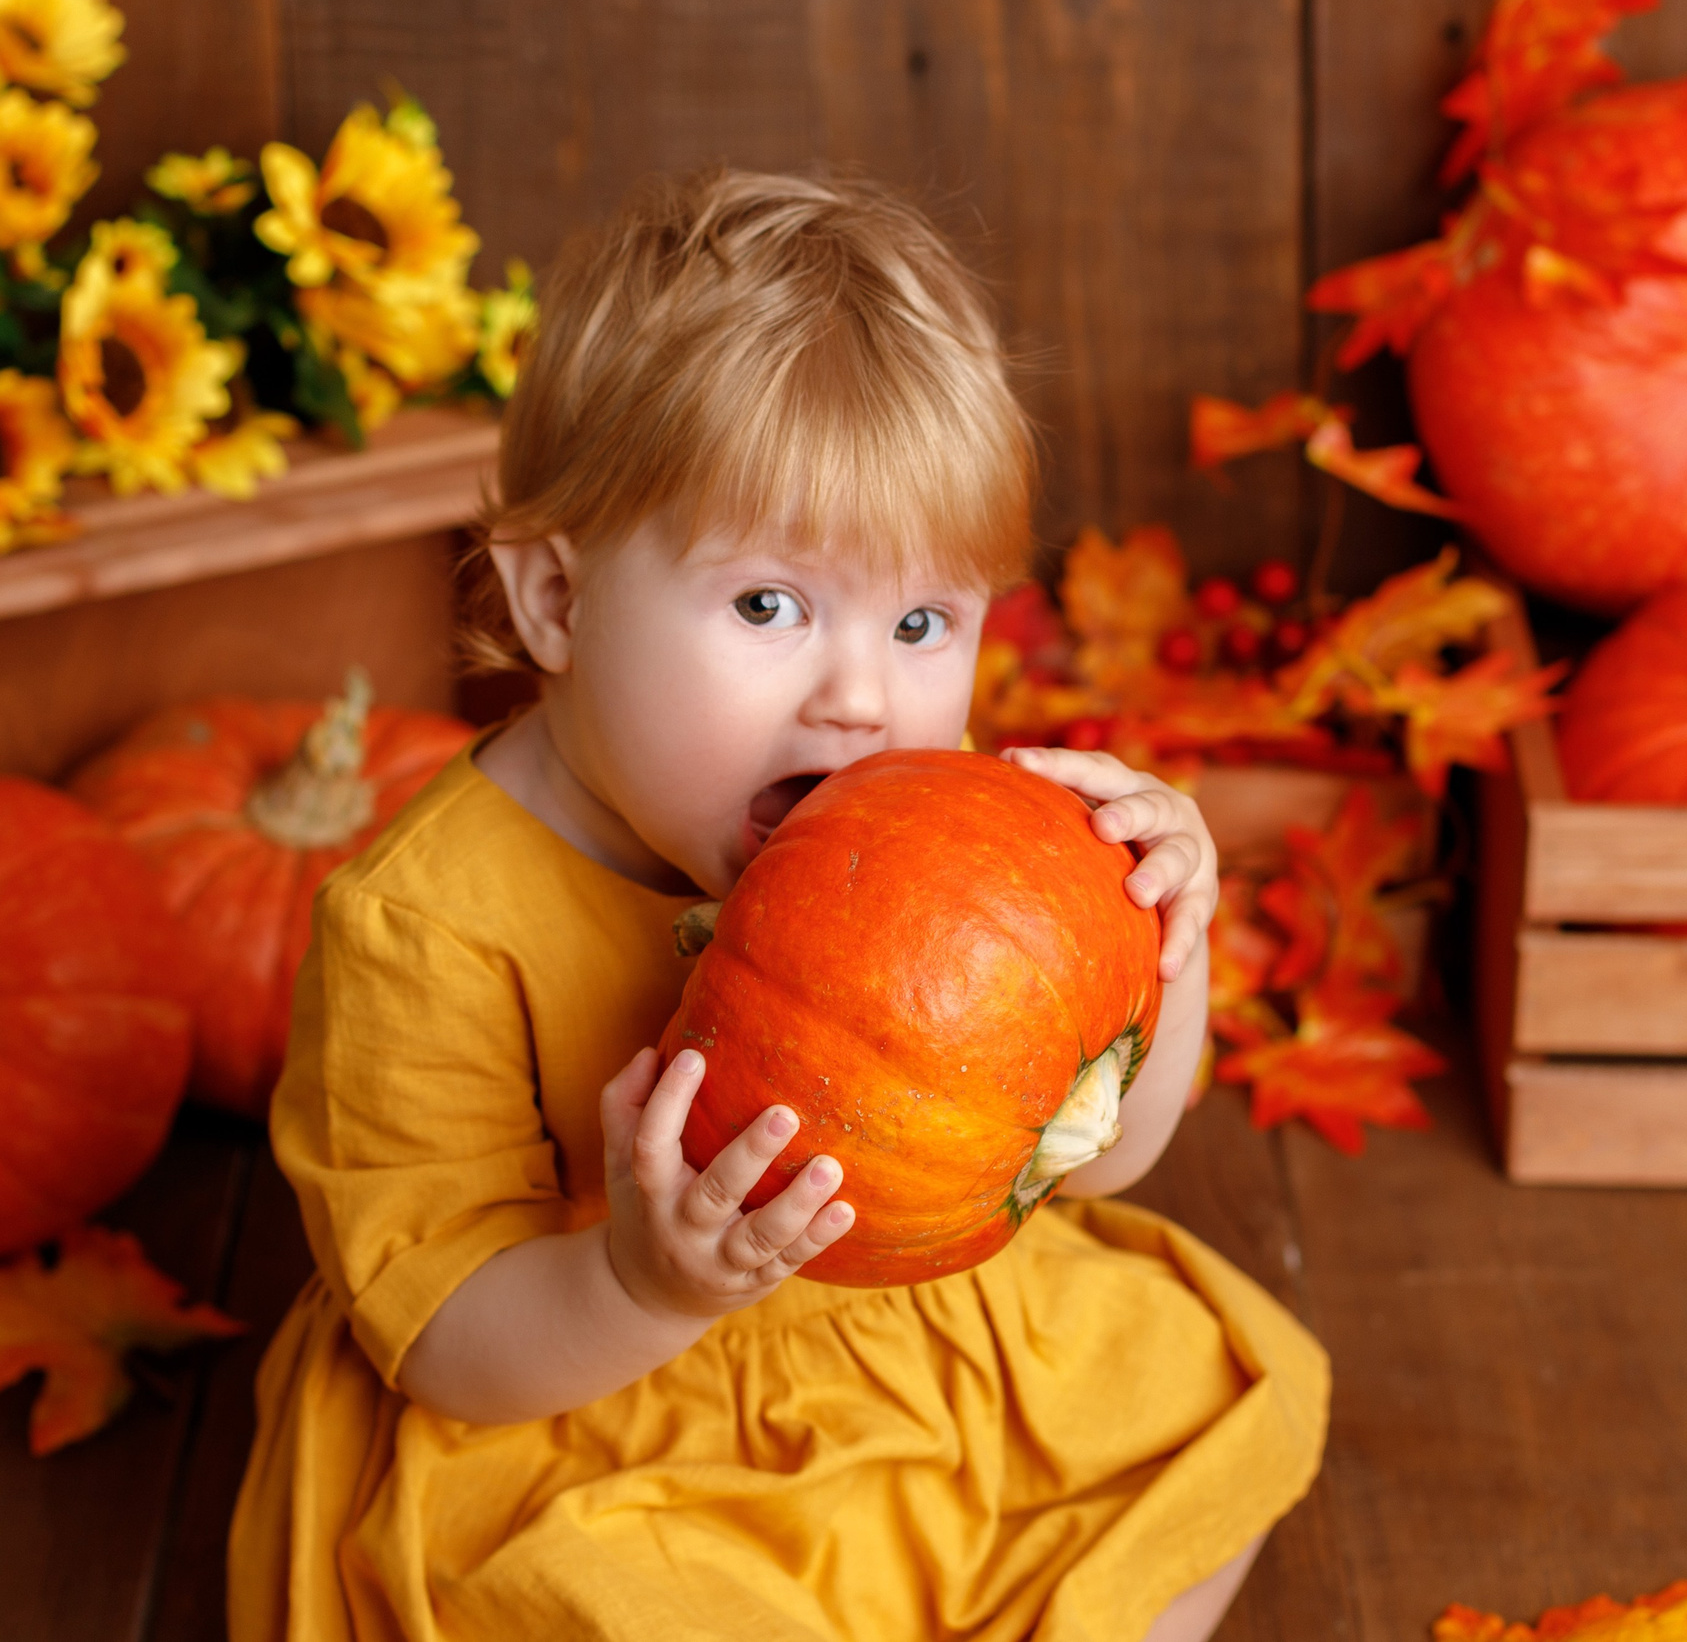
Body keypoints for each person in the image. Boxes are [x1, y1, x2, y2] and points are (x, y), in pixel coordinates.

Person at [228, 168, 1328, 1642]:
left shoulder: (956, 856)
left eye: (924, 620)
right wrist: (644, 1283)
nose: (863, 697)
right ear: (554, 603)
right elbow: (447, 1346)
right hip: (593, 1410)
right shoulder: (425, 929)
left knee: (1199, 1406)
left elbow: (1095, 1165)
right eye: (769, 605)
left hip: (906, 1347)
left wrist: (1162, 950)